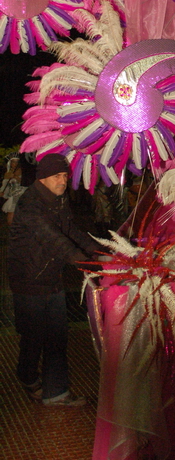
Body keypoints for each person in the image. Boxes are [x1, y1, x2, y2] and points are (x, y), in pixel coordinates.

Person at [8, 153, 101, 407]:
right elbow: (51, 237)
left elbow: (69, 229)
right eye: (57, 176)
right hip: (29, 281)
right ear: (42, 178)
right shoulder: (29, 204)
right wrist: (79, 259)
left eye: (65, 176)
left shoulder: (59, 200)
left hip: (51, 277)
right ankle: (27, 375)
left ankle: (56, 393)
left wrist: (97, 249)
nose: (62, 181)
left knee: (57, 338)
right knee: (33, 337)